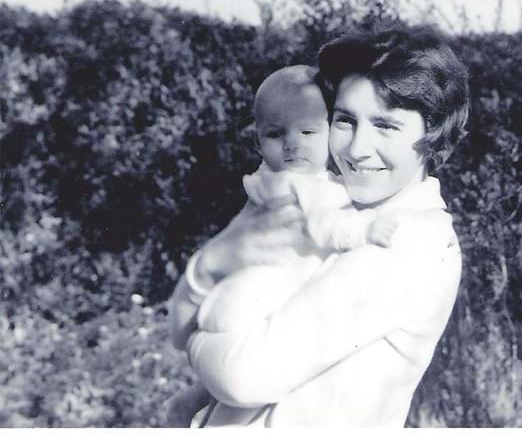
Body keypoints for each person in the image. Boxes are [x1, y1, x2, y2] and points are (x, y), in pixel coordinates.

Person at [167, 25, 470, 427]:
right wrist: (210, 267)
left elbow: (244, 376)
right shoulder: (333, 207)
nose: (358, 149)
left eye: (386, 126)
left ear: (434, 137)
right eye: (345, 121)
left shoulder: (409, 240)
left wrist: (195, 341)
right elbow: (194, 312)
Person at [167, 64, 403, 424]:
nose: (293, 144)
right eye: (276, 135)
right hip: (255, 300)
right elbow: (327, 228)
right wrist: (365, 231)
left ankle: (195, 403)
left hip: (231, 302)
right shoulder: (303, 185)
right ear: (258, 140)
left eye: (307, 132)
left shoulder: (268, 179)